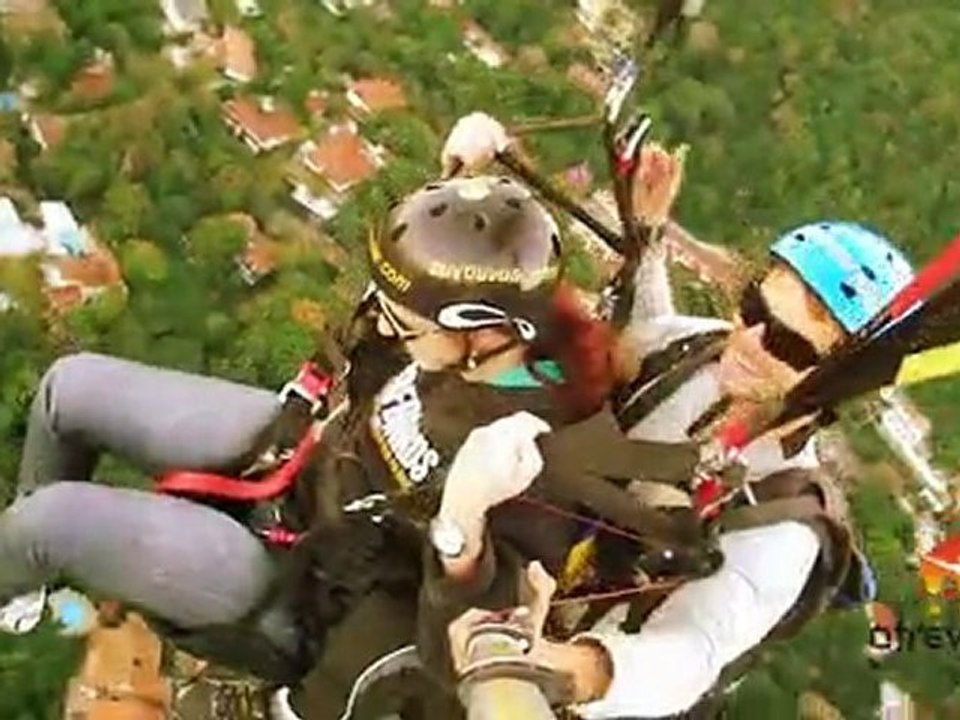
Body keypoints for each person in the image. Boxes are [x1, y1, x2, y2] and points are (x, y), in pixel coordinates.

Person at [0, 160, 695, 717]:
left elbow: (458, 647)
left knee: (49, 523)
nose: (389, 329)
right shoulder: (524, 334)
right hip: (301, 464)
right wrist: (464, 178)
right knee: (70, 388)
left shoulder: (539, 467)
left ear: (482, 332)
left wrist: (462, 520)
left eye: (407, 324)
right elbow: (455, 280)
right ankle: (24, 588)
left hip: (303, 590)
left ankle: (12, 578)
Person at [433, 113, 913, 719]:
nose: (748, 341)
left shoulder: (782, 526)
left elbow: (691, 651)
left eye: (788, 345)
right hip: (507, 575)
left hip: (550, 675)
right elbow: (648, 330)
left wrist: (562, 668)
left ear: (833, 385)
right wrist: (644, 232)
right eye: (754, 308)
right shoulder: (704, 350)